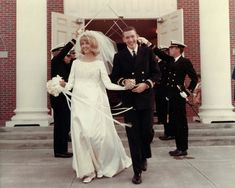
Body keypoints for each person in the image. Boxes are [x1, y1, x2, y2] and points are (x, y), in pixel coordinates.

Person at [60, 32, 131, 183]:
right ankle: (88, 170)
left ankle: (101, 165)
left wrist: (124, 88)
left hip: (95, 103)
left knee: (96, 136)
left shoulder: (99, 63)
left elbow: (107, 84)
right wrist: (60, 85)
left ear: (93, 45)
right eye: (83, 43)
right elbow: (70, 85)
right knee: (81, 136)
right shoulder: (75, 63)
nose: (84, 46)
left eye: (87, 43)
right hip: (79, 103)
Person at [111, 26, 161, 184]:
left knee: (146, 133)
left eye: (132, 36)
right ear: (123, 39)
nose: (130, 40)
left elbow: (157, 73)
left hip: (146, 99)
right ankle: (137, 171)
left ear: (137, 36)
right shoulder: (119, 56)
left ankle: (144, 155)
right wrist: (123, 81)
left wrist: (146, 84)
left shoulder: (147, 52)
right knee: (133, 136)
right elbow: (114, 77)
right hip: (130, 102)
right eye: (127, 38)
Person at [153, 40, 198, 156]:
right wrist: (149, 45)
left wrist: (188, 92)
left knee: (181, 123)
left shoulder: (185, 62)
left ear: (178, 49)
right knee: (174, 122)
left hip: (179, 96)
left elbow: (194, 78)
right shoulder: (171, 61)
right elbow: (161, 54)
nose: (170, 50)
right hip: (171, 96)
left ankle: (183, 148)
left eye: (172, 48)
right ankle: (179, 147)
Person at [50, 39, 76, 158]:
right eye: (68, 55)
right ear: (57, 54)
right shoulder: (55, 62)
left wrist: (74, 57)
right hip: (59, 101)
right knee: (60, 126)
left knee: (65, 125)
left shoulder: (67, 66)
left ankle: (63, 149)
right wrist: (73, 41)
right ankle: (59, 151)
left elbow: (75, 66)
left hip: (66, 100)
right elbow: (62, 54)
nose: (69, 57)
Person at [154, 47, 176, 140]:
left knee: (168, 113)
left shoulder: (167, 62)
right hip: (161, 90)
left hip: (167, 91)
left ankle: (170, 133)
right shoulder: (162, 62)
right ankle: (168, 132)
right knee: (163, 111)